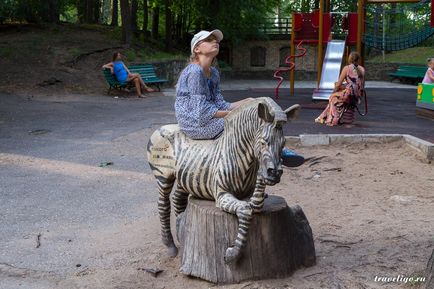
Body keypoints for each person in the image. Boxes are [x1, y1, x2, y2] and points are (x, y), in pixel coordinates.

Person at [175, 29, 304, 167]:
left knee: (255, 104)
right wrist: (237, 114)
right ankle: (276, 152)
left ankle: (272, 151)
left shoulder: (213, 73)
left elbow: (220, 103)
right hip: (195, 123)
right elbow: (200, 112)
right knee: (247, 121)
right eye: (209, 40)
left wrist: (250, 102)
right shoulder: (195, 72)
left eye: (216, 40)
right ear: (197, 49)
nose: (215, 42)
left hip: (208, 118)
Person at [315, 52, 365, 126]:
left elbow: (338, 84)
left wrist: (333, 92)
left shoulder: (347, 68)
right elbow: (360, 84)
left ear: (349, 59)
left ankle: (333, 120)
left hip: (349, 95)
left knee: (332, 97)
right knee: (336, 97)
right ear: (358, 59)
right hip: (357, 96)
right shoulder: (362, 69)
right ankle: (322, 117)